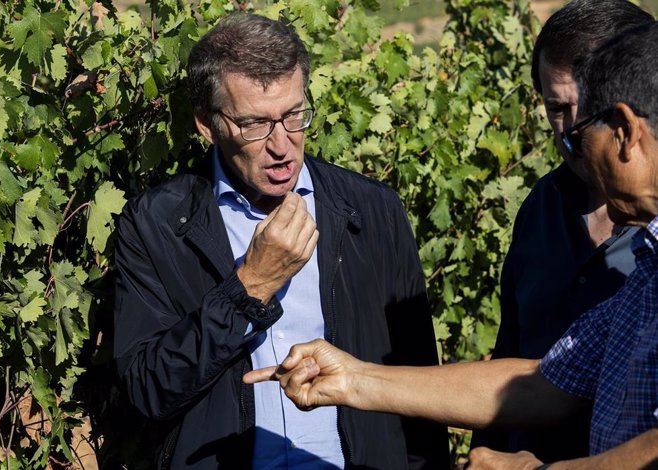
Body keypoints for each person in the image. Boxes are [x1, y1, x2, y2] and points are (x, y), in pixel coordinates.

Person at [245, 20, 658, 470]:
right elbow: (545, 383)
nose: (569, 149)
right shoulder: (647, 276)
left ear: (625, 131)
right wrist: (353, 378)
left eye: (579, 136)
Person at [112, 13, 448, 470]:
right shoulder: (154, 224)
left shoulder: (373, 211)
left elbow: (418, 382)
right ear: (207, 126)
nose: (282, 144)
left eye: (294, 115)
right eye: (254, 124)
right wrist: (248, 287)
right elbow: (149, 389)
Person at [476, 0, 653, 460]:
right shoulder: (538, 211)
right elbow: (526, 371)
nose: (573, 130)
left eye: (590, 111)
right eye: (558, 110)